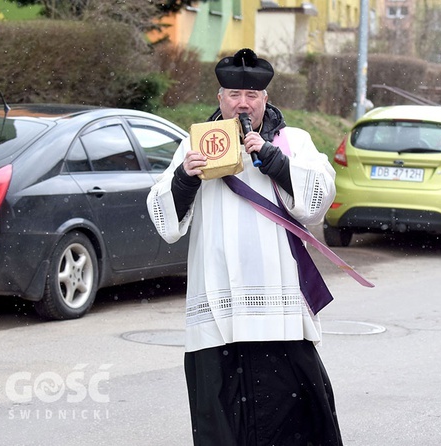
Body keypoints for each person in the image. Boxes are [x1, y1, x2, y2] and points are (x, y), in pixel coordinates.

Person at [146, 48, 343, 446]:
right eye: (234, 94)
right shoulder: (194, 144)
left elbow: (320, 198)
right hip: (219, 304)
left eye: (252, 95)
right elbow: (162, 217)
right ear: (220, 99)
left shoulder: (293, 140)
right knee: (222, 423)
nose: (243, 103)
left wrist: (275, 161)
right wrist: (186, 178)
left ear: (265, 100)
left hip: (280, 308)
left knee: (296, 421)